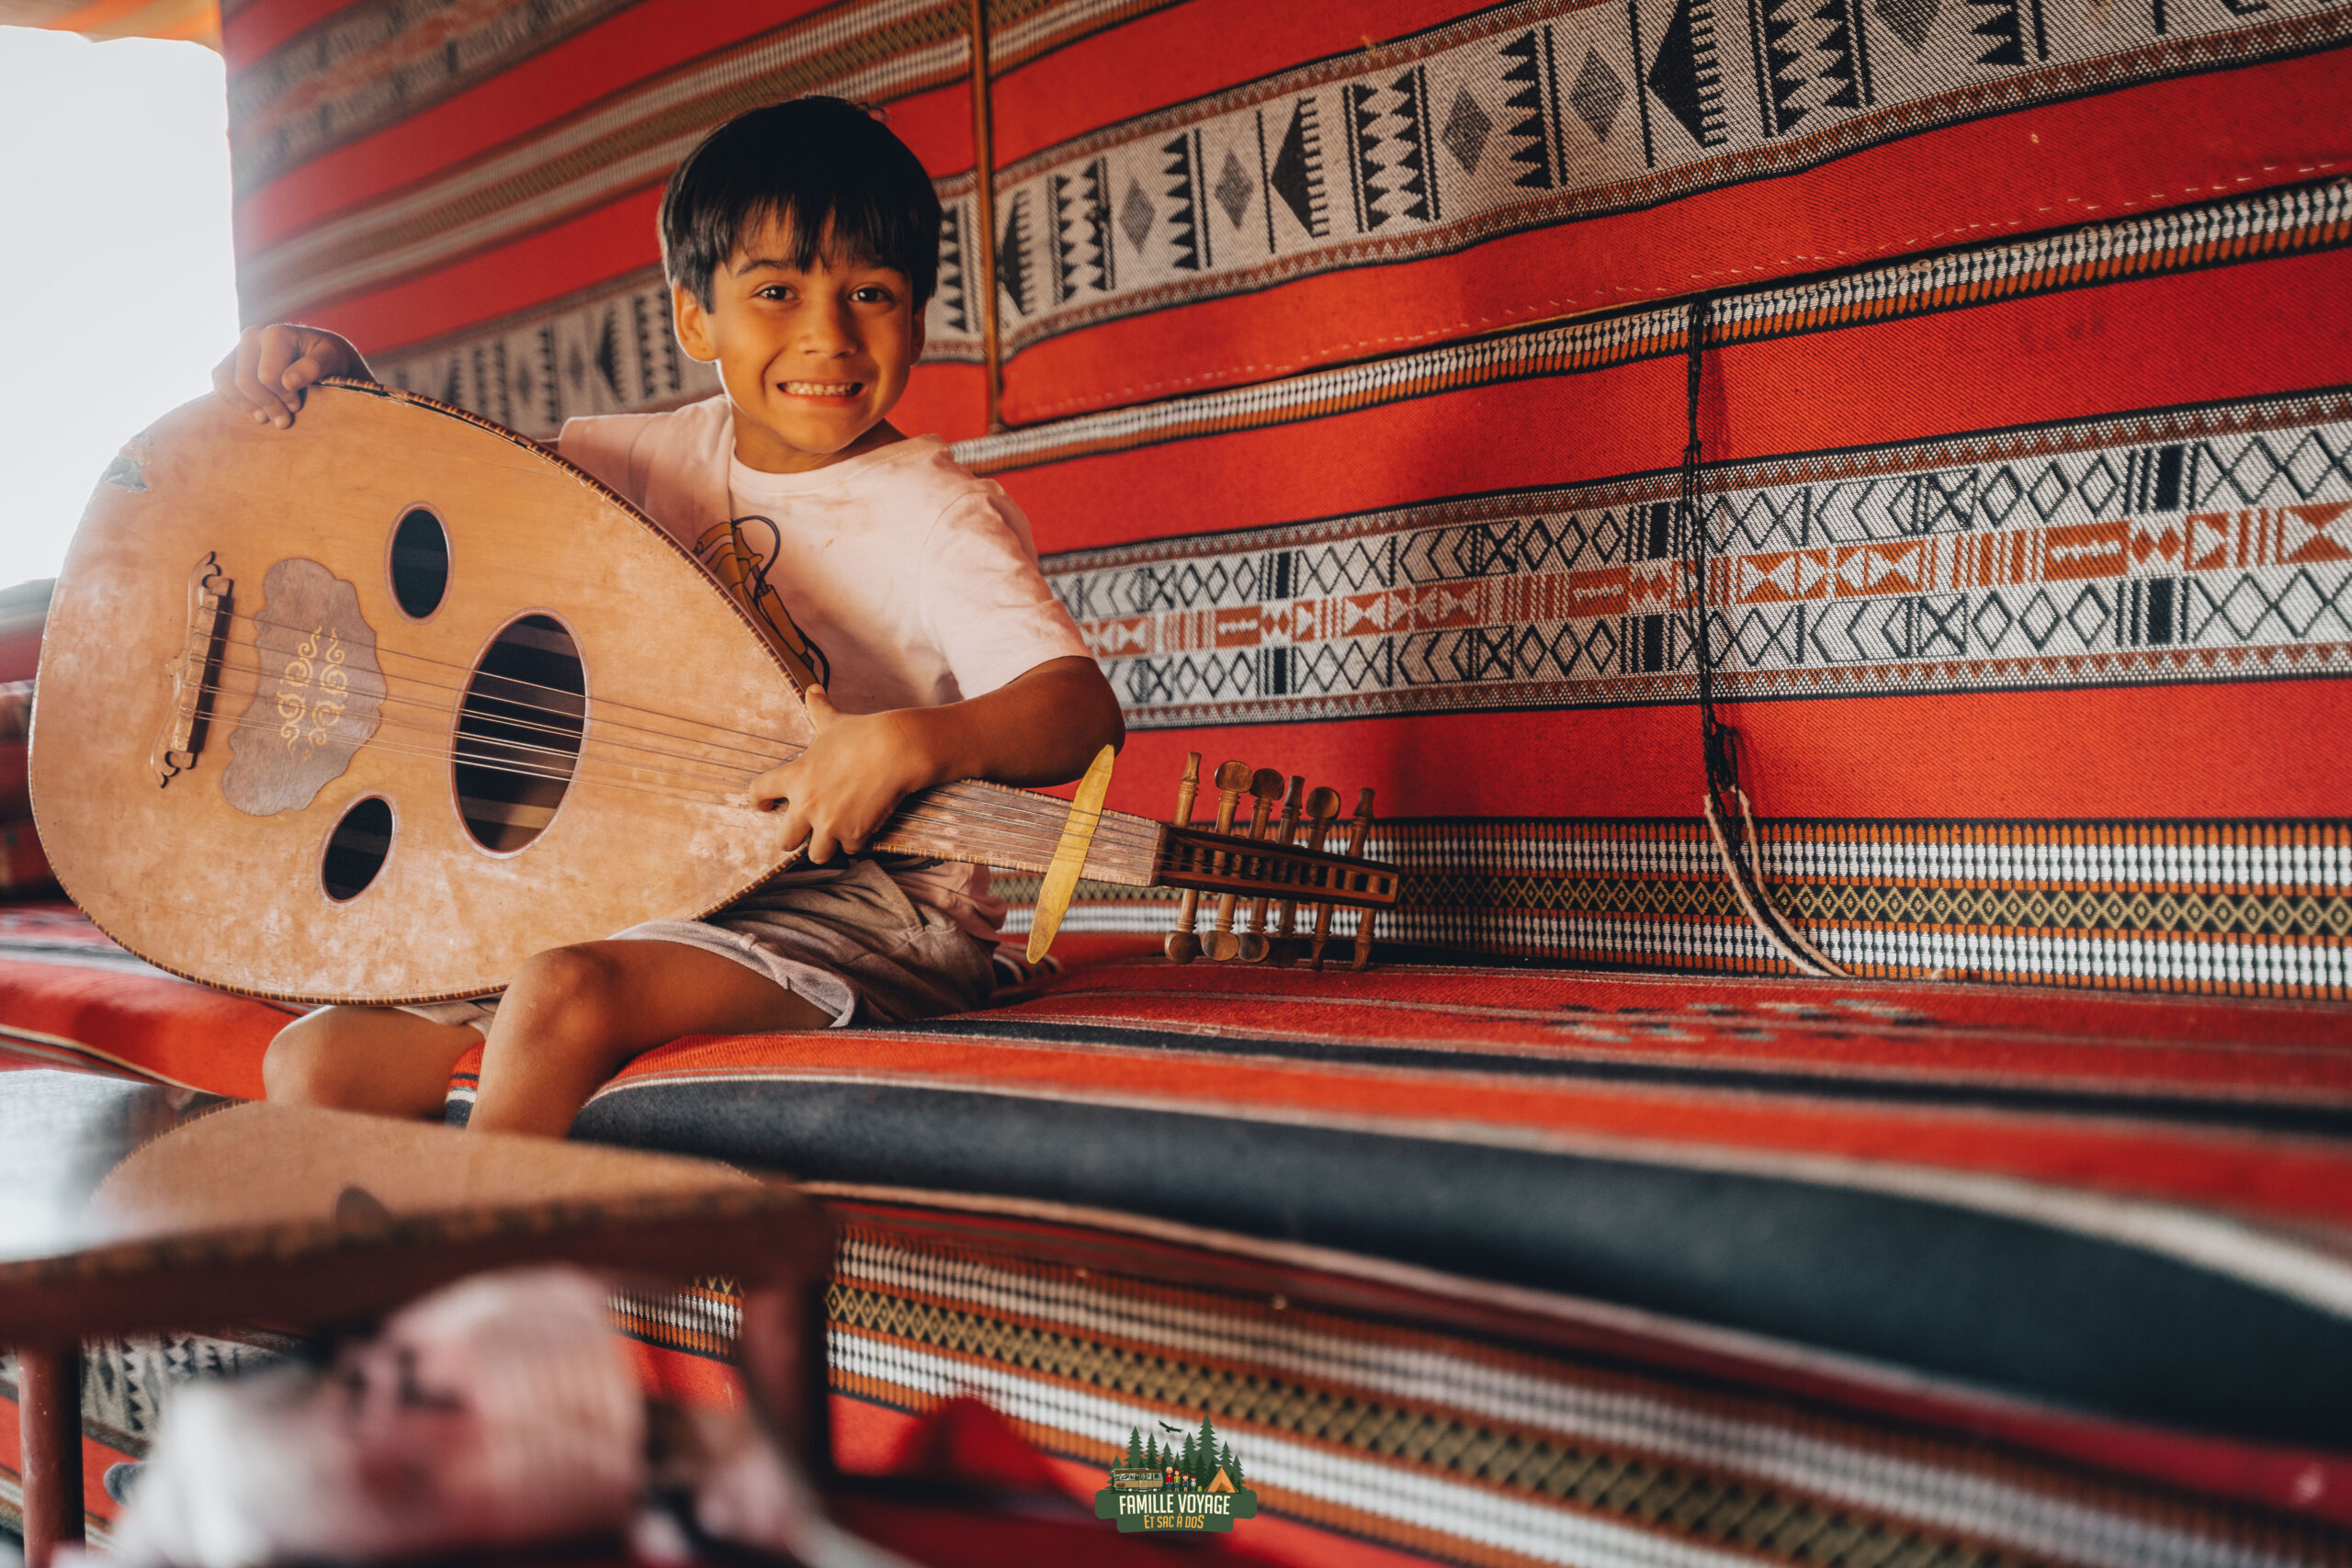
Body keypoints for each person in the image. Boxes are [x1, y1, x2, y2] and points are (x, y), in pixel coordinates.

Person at [217, 97, 1123, 1138]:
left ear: (917, 320)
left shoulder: (934, 516)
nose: (826, 334)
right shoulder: (646, 460)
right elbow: (456, 516)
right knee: (317, 1061)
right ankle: (407, 1245)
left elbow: (1078, 709)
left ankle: (490, 1246)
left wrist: (907, 743)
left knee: (560, 994)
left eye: (870, 293)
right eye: (775, 292)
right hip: (646, 877)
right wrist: (347, 390)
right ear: (696, 320)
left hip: (873, 906)